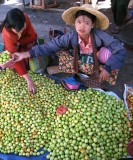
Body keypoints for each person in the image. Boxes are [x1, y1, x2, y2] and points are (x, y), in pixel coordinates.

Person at [12, 4, 127, 91]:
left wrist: (107, 68)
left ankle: (72, 70)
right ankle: (72, 70)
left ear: (92, 25)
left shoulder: (99, 35)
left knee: (112, 64)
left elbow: (120, 50)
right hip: (79, 60)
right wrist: (24, 54)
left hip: (95, 61)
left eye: (87, 23)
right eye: (79, 22)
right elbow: (50, 46)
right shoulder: (71, 36)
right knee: (61, 52)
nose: (82, 26)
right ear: (75, 23)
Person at [0, 8, 37, 93]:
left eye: (23, 28)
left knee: (31, 58)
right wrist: (28, 80)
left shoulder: (25, 17)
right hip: (13, 47)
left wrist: (19, 42)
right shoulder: (7, 34)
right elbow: (14, 57)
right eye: (19, 30)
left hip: (24, 44)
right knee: (13, 64)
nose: (21, 32)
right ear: (11, 27)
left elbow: (33, 36)